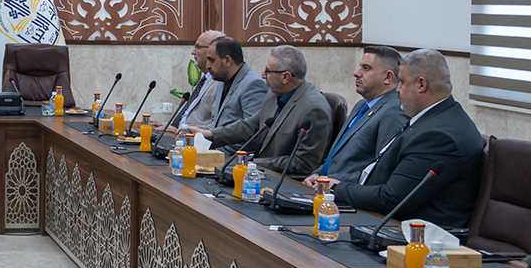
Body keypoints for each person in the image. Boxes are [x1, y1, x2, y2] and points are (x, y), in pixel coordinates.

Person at [331, 48, 485, 228]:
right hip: (379, 217)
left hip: (412, 234)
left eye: (402, 82)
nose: (397, 89)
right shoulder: (433, 119)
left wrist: (337, 189)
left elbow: (390, 199)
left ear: (421, 85)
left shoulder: (439, 136)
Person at [205, 45, 332, 177]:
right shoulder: (274, 94)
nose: (263, 75)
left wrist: (254, 163)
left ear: (285, 77)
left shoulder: (314, 109)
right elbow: (250, 126)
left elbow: (303, 163)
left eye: (268, 71)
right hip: (258, 173)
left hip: (285, 180)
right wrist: (210, 135)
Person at [304, 45, 407, 187]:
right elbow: (338, 158)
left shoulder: (394, 111)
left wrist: (333, 182)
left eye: (366, 68)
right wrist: (317, 174)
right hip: (323, 188)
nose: (356, 73)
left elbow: (381, 171)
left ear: (388, 77)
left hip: (346, 193)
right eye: (360, 67)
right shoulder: (362, 104)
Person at [183, 37, 268, 133]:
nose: (208, 66)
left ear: (227, 61)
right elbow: (217, 126)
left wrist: (213, 137)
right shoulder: (221, 82)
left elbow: (253, 132)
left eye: (212, 61)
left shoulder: (253, 84)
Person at [173, 29, 226, 127]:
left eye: (197, 47)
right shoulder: (205, 80)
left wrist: (184, 131)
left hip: (193, 135)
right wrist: (168, 128)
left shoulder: (221, 82)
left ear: (212, 50)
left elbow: (217, 126)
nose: (193, 52)